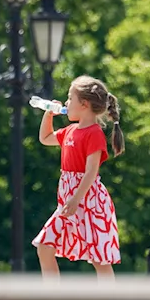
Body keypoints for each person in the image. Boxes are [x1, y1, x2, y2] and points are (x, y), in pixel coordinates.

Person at [31, 75, 125, 280]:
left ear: (84, 104)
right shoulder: (70, 131)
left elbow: (91, 171)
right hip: (68, 203)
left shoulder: (93, 133)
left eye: (69, 98)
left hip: (89, 203)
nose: (66, 103)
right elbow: (45, 138)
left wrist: (75, 199)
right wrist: (48, 115)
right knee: (45, 247)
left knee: (100, 259)